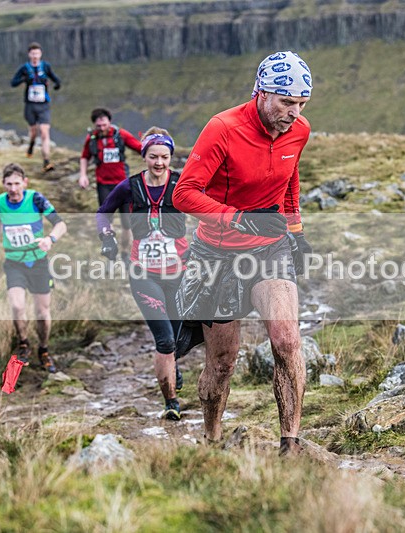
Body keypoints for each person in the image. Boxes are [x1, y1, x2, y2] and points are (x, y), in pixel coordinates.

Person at [172, 51, 314, 454]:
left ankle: (291, 444)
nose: (294, 112)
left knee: (286, 340)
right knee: (223, 361)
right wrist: (237, 218)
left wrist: (297, 231)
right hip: (215, 254)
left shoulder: (299, 131)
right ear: (262, 92)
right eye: (287, 102)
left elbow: (290, 179)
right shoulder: (223, 128)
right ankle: (212, 439)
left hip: (270, 249)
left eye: (301, 104)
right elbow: (184, 194)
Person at [96, 128, 188, 420]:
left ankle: (172, 366)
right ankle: (171, 403)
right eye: (153, 157)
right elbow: (102, 212)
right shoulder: (129, 186)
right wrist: (106, 237)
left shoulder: (183, 182)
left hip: (179, 273)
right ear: (144, 156)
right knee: (165, 341)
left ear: (171, 157)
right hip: (143, 273)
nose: (159, 162)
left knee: (179, 340)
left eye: (164, 157)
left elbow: (208, 208)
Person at [0, 163, 67, 373]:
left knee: (42, 312)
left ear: (25, 182)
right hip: (14, 263)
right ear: (3, 184)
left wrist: (50, 239)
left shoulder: (36, 199)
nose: (13, 188)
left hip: (38, 262)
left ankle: (44, 349)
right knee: (17, 305)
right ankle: (23, 343)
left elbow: (60, 224)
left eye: (17, 183)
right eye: (9, 184)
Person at [80, 108, 142, 262]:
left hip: (123, 185)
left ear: (109, 122)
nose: (102, 128)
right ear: (95, 125)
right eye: (98, 126)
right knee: (107, 221)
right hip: (104, 185)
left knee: (127, 223)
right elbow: (84, 157)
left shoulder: (120, 135)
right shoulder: (92, 138)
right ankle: (111, 252)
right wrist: (82, 175)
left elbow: (140, 148)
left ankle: (126, 254)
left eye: (104, 124)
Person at [10, 42, 61, 172]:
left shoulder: (45, 66)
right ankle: (31, 146)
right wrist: (23, 80)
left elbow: (55, 78)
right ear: (29, 54)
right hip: (30, 105)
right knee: (33, 132)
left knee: (44, 132)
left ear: (40, 54)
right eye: (33, 53)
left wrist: (57, 84)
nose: (35, 56)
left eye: (37, 53)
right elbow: (13, 83)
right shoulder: (25, 68)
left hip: (43, 104)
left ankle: (46, 161)